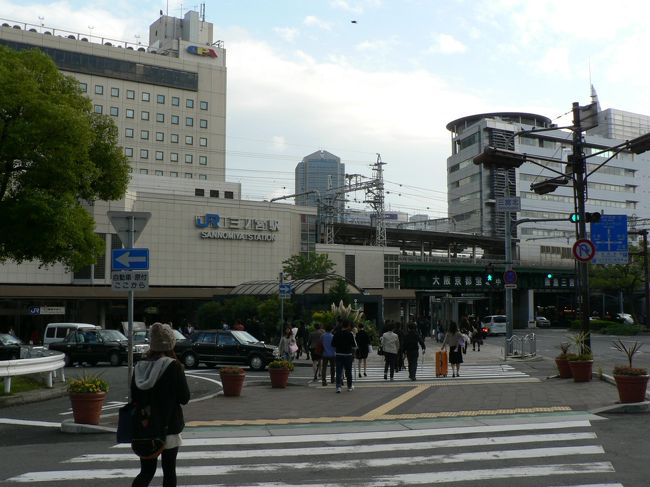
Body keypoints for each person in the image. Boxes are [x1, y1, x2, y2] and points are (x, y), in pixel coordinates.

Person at [131, 322, 190, 487]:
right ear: (170, 344)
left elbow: (134, 397)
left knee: (146, 471)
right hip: (168, 426)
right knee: (169, 471)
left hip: (145, 426)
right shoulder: (173, 366)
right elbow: (184, 397)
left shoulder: (139, 366)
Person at [331, 319, 356, 393]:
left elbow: (333, 344)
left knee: (339, 371)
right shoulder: (350, 334)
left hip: (338, 354)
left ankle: (338, 387)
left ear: (342, 325)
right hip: (348, 355)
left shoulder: (336, 333)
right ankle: (349, 386)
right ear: (348, 326)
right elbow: (354, 345)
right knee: (348, 371)